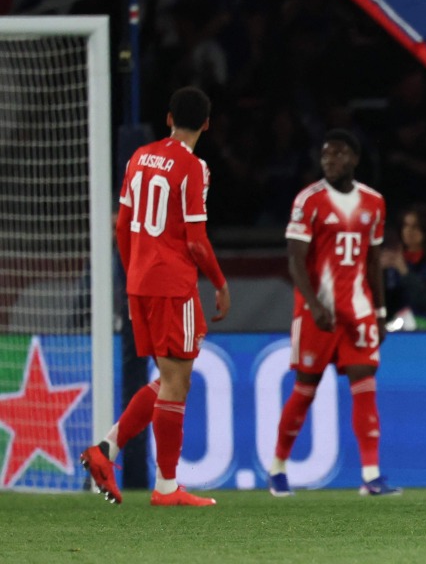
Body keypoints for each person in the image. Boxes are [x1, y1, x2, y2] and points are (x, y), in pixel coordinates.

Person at [80, 86, 231, 507]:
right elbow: (197, 241)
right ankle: (165, 486)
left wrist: (133, 276)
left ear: (168, 119)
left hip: (139, 281)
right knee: (177, 381)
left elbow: (122, 226)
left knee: (168, 380)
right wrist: (219, 283)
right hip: (172, 284)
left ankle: (106, 451)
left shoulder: (138, 158)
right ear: (206, 124)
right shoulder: (194, 168)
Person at [268, 130, 400, 497]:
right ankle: (277, 467)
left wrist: (379, 310)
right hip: (317, 312)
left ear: (354, 159)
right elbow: (295, 259)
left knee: (365, 386)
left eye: (339, 154)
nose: (331, 160)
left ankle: (371, 475)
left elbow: (373, 261)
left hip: (357, 311)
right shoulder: (308, 201)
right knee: (305, 389)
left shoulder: (373, 202)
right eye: (326, 155)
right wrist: (312, 304)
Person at [381, 204, 426, 330]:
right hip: (393, 327)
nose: (409, 231)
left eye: (415, 227)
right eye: (406, 226)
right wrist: (379, 271)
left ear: (425, 231)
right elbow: (385, 302)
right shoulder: (392, 261)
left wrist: (404, 271)